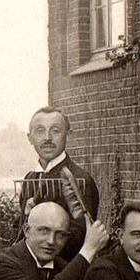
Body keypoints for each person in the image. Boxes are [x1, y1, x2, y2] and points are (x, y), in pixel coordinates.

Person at [19, 108, 101, 259]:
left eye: (55, 131)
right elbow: (20, 228)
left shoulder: (78, 179)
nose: (47, 138)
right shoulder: (30, 179)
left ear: (67, 135)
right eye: (40, 131)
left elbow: (79, 239)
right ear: (30, 138)